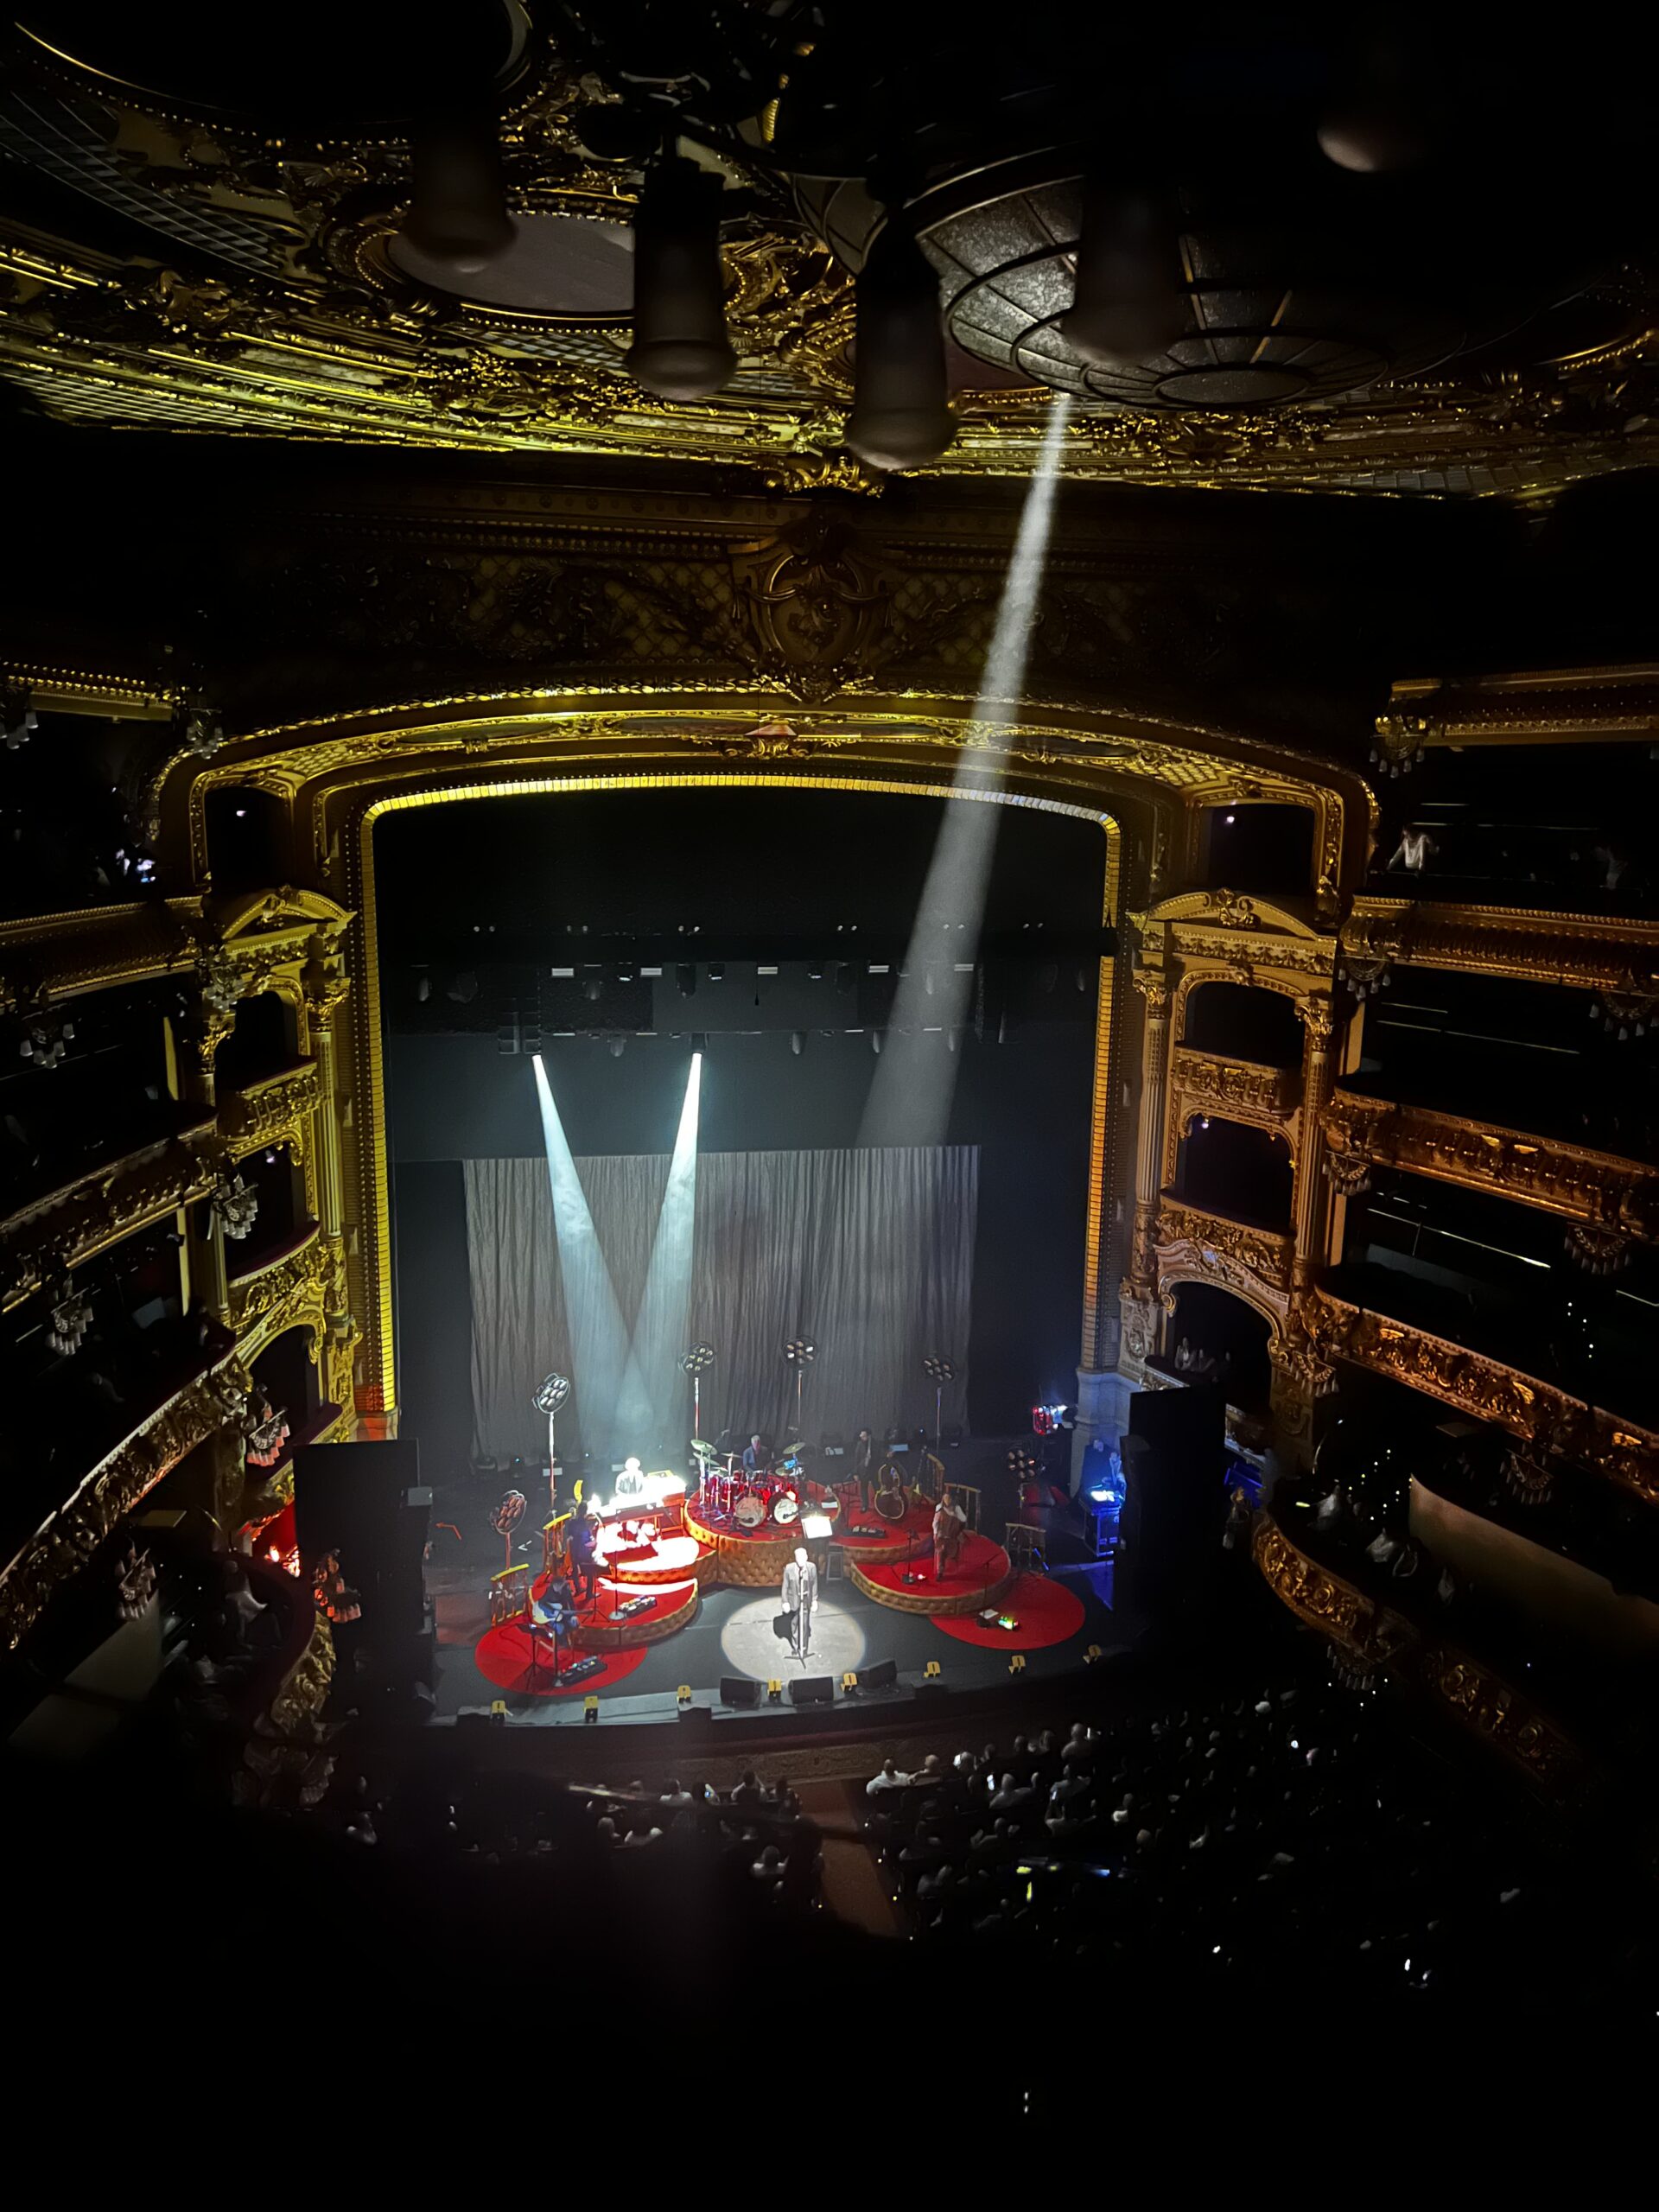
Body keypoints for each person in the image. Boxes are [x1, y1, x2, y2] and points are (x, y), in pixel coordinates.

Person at [781, 1544, 817, 1660]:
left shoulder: (812, 1568)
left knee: (805, 1626)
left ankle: (804, 1649)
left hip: (806, 1601)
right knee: (794, 1625)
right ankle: (796, 1647)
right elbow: (785, 1586)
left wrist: (814, 1600)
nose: (800, 1560)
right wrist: (785, 1602)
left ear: (806, 1557)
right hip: (794, 1602)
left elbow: (814, 1584)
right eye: (798, 1558)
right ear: (795, 1558)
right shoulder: (789, 1568)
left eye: (803, 1558)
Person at [931, 1487, 968, 1582]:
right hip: (942, 1535)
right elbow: (935, 1522)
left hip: (952, 1536)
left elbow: (964, 1519)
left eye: (948, 1499)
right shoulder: (939, 1508)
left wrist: (954, 1515)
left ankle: (954, 1568)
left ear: (951, 1499)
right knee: (941, 1551)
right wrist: (935, 1533)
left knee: (953, 1550)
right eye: (945, 1499)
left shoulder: (956, 1508)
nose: (947, 1501)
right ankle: (940, 1571)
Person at [566, 1499, 600, 1604]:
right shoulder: (584, 1523)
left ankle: (578, 1589)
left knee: (575, 1570)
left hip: (574, 1548)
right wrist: (593, 1542)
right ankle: (589, 1594)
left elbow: (570, 1533)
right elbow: (586, 1537)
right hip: (583, 1550)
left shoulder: (573, 1521)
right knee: (590, 1572)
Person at [851, 1427, 877, 1515]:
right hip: (863, 1470)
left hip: (873, 1470)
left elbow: (879, 1455)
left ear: (869, 1436)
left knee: (877, 1487)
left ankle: (879, 1504)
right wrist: (855, 1473)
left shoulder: (874, 1443)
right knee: (863, 1488)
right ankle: (865, 1505)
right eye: (861, 1436)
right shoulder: (859, 1444)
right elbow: (856, 1459)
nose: (862, 1438)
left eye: (864, 1436)